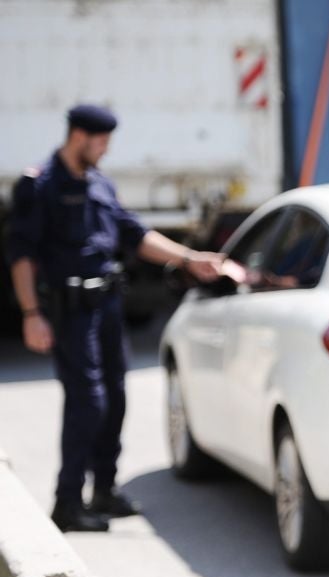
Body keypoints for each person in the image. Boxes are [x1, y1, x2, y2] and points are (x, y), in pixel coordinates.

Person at [5, 104, 225, 532]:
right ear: (78, 137)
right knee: (88, 401)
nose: (105, 149)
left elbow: (135, 235)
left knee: (117, 397)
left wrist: (189, 259)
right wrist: (32, 314)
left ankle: (104, 489)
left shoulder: (99, 183)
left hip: (107, 305)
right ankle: (67, 501)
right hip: (69, 310)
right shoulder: (41, 186)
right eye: (100, 141)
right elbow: (22, 255)